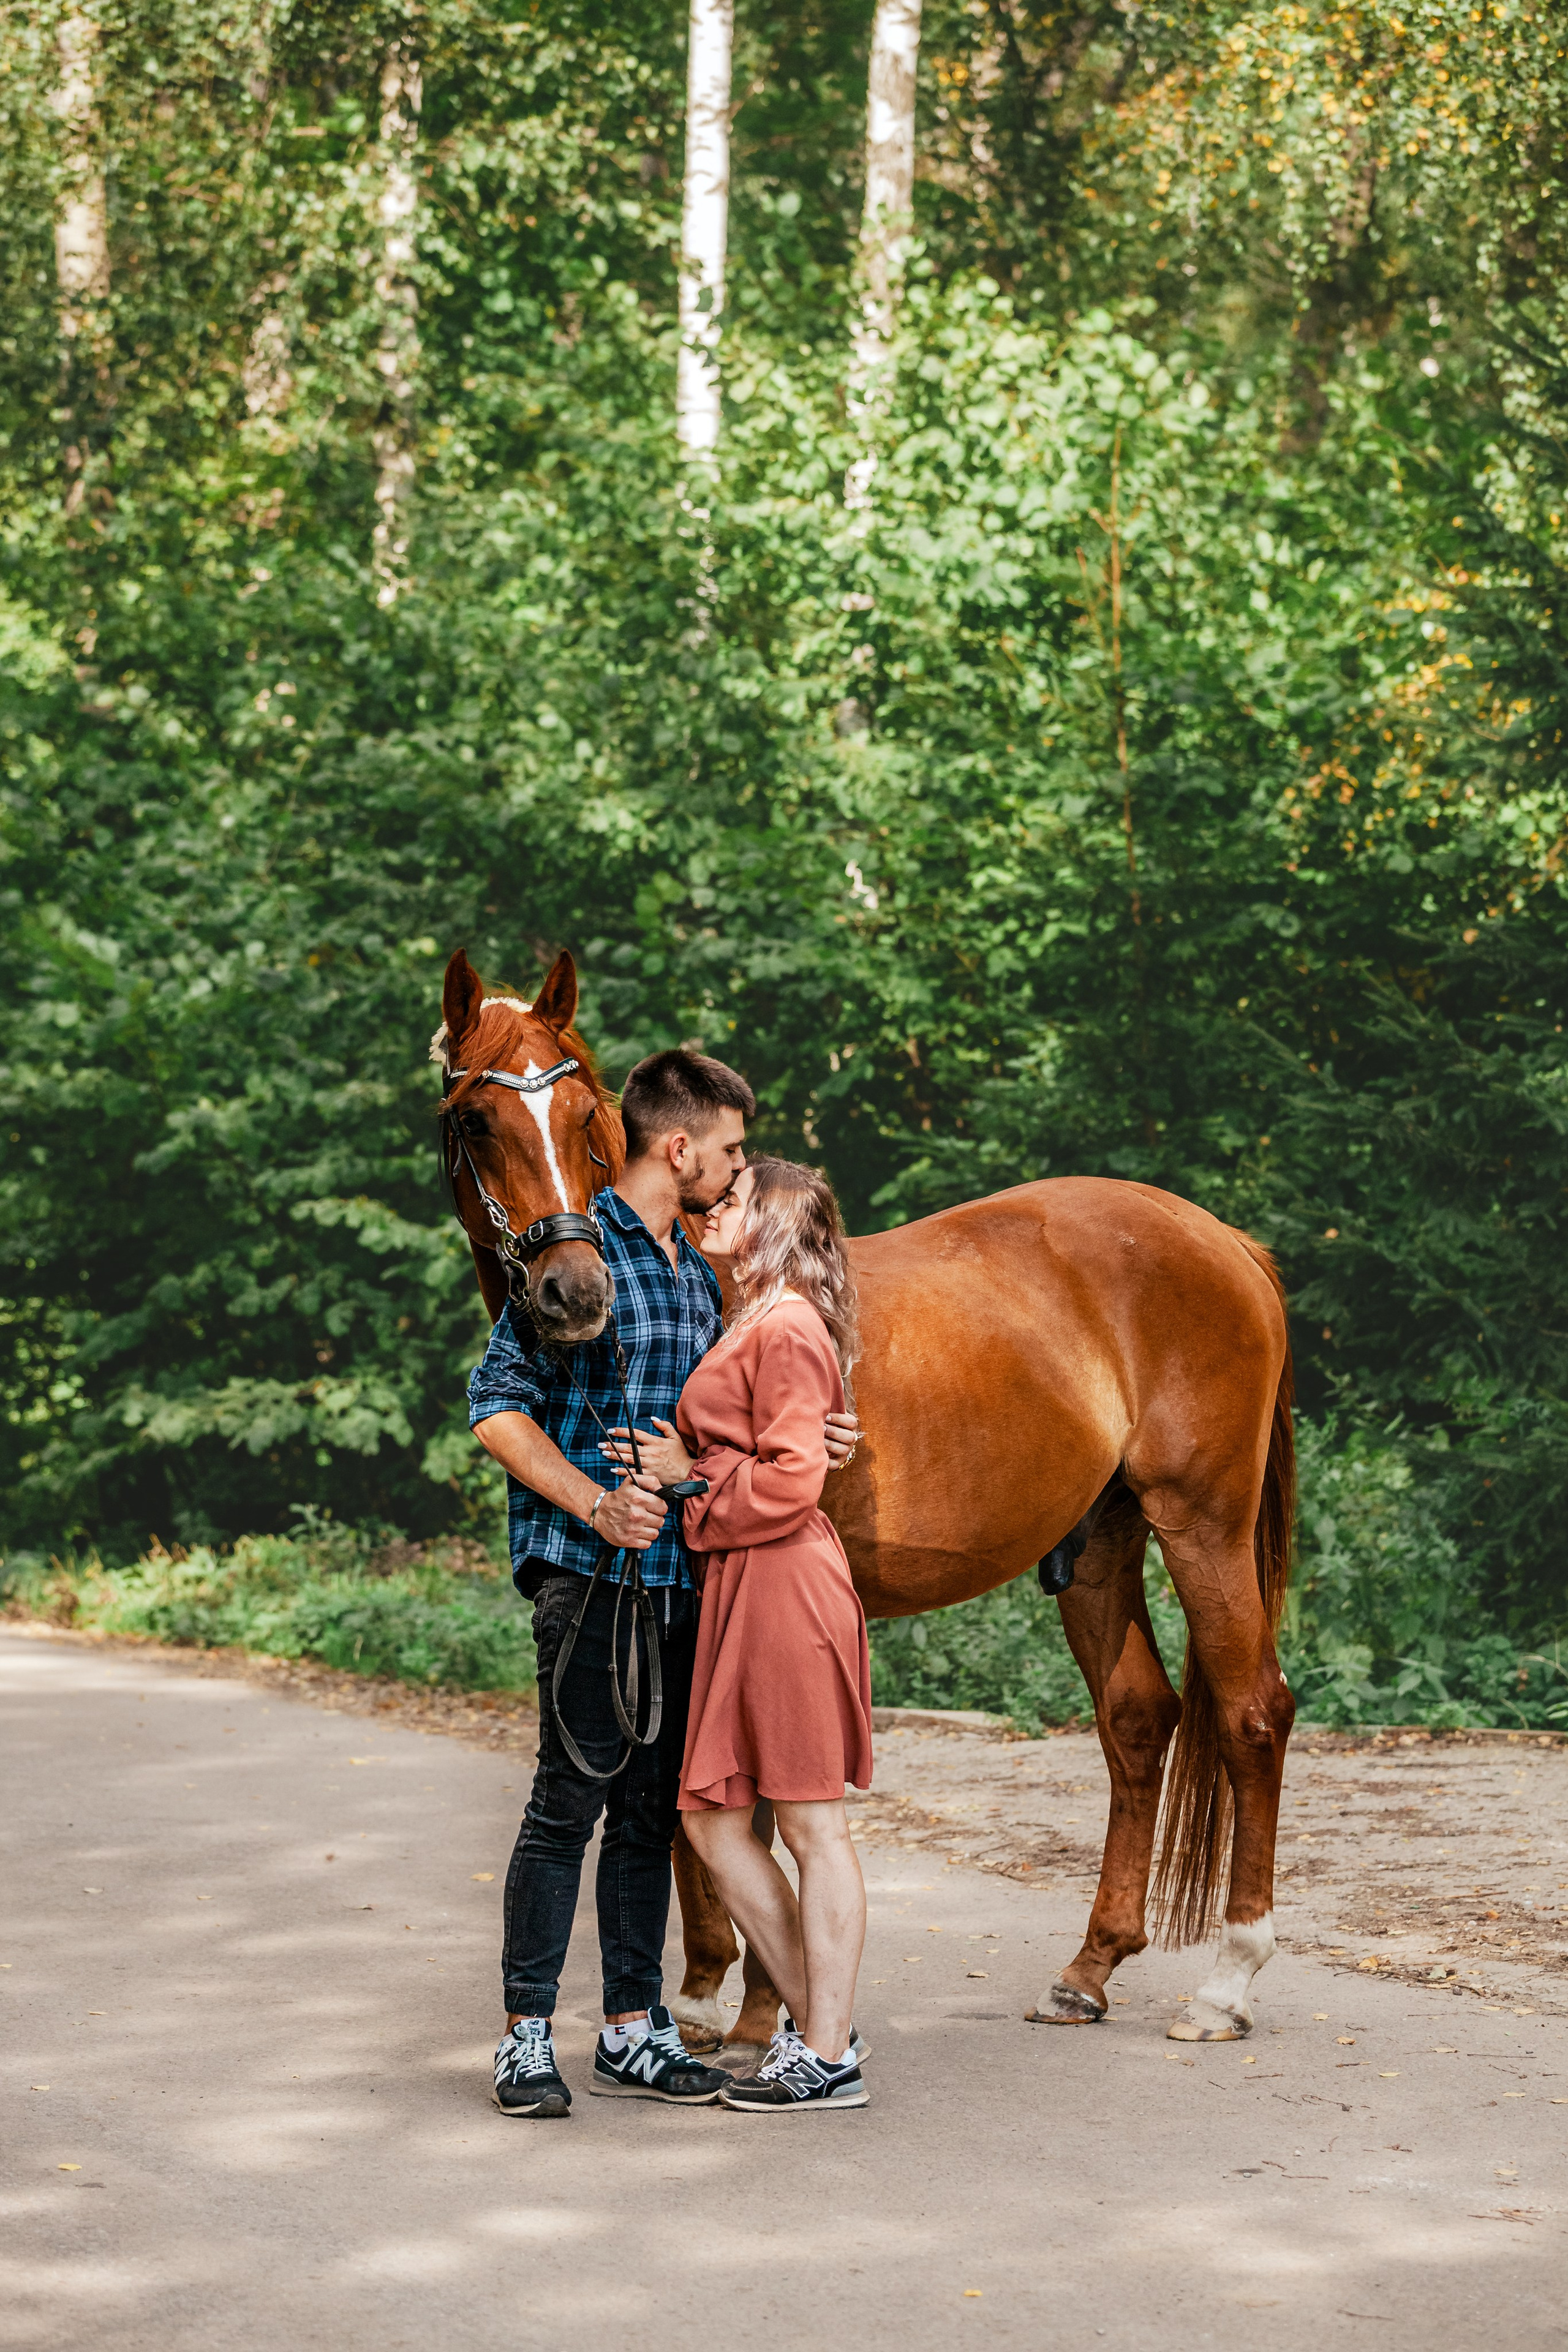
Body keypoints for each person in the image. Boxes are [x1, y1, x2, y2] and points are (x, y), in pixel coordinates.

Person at [469, 1054, 858, 2118]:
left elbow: (736, 1418)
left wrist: (816, 1434)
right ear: (679, 1148)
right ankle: (525, 2034)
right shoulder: (575, 1252)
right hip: (590, 1574)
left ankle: (632, 2027)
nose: (738, 1167)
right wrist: (594, 1504)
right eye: (730, 1149)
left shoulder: (701, 1270)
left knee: (651, 1816)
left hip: (690, 1582)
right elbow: (495, 1404)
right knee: (567, 1805)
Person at [608, 1157, 874, 2114]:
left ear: (775, 1225)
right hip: (741, 1585)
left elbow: (794, 1479)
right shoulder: (750, 1317)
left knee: (809, 1823)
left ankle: (827, 2055)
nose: (715, 1207)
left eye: (735, 1200)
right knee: (714, 1822)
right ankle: (825, 2030)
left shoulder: (789, 1325)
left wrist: (690, 1477)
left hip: (783, 1583)